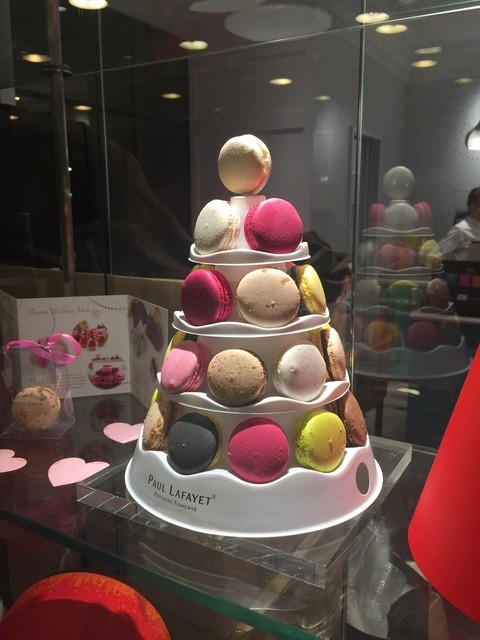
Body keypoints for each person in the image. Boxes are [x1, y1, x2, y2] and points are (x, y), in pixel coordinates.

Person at [437, 187, 480, 260]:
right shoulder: (460, 229)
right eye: (477, 204)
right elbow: (437, 253)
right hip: (467, 266)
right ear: (470, 206)